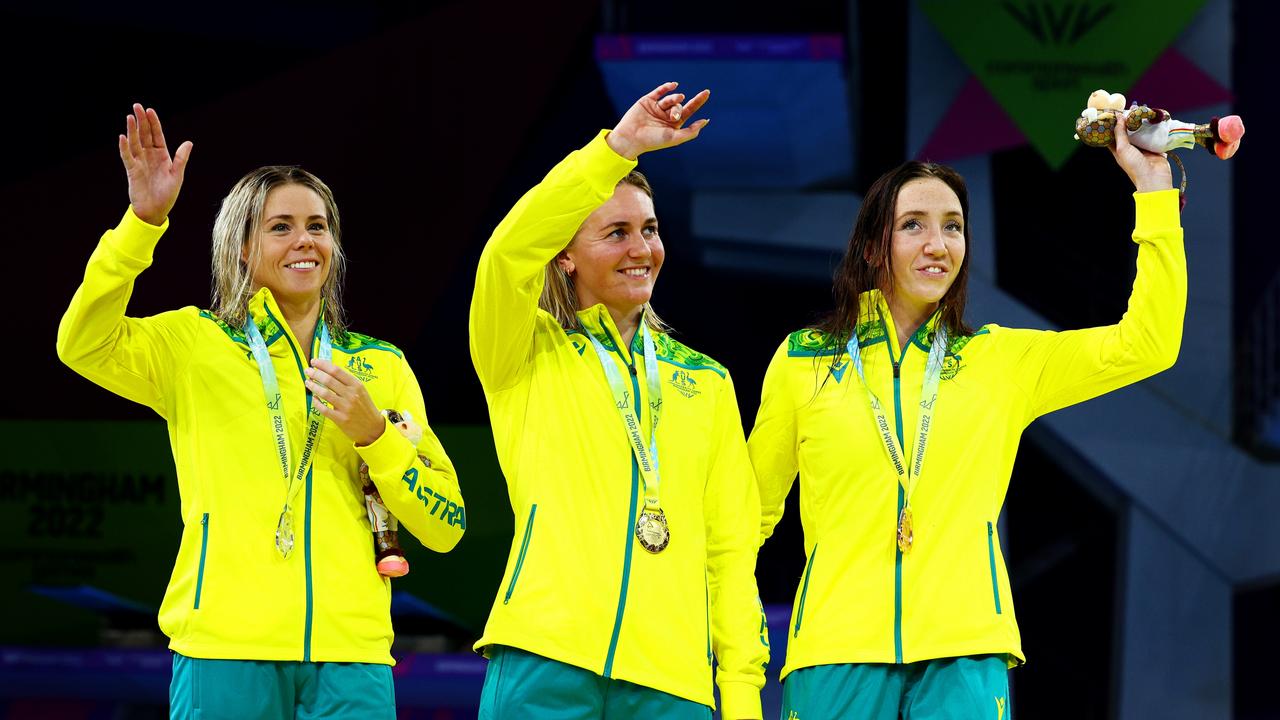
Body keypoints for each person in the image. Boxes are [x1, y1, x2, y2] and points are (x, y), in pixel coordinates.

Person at [748, 120, 1184, 716]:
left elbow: (1149, 344)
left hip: (966, 651)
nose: (938, 244)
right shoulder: (804, 360)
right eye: (914, 226)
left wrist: (1154, 191)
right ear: (874, 246)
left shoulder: (1000, 361)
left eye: (953, 227)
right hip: (833, 650)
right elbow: (750, 515)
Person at [57, 104, 464, 720]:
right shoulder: (194, 345)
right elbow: (82, 343)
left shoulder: (381, 367)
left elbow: (448, 524)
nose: (305, 240)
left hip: (351, 661)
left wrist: (375, 435)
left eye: (317, 225)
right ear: (243, 248)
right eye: (281, 227)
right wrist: (142, 225)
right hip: (224, 650)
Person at [469, 82, 768, 719]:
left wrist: (741, 695)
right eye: (616, 233)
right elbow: (505, 255)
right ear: (567, 256)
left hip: (672, 684)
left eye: (650, 230)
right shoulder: (521, 353)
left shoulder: (707, 383)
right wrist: (616, 151)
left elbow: (730, 551)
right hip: (544, 663)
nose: (642, 249)